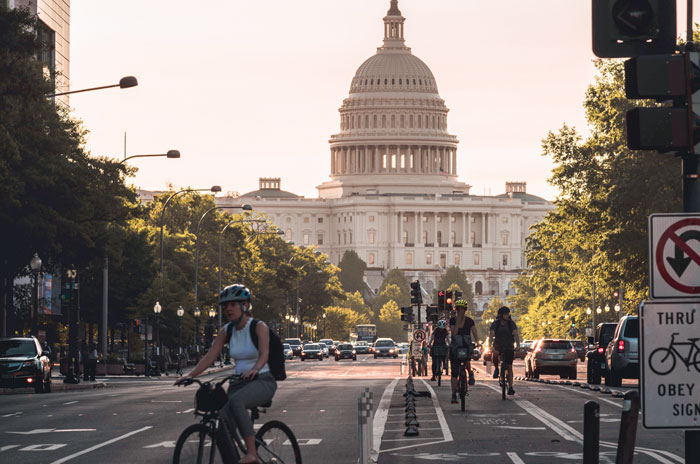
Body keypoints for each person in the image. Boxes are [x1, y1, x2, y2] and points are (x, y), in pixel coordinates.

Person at [176, 284, 276, 464]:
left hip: (262, 380)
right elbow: (210, 356)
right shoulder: (227, 330)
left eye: (232, 304)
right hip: (238, 383)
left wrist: (255, 369)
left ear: (245, 305)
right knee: (222, 425)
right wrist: (191, 375)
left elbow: (264, 353)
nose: (228, 309)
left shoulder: (258, 327)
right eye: (225, 306)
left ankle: (252, 453)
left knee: (237, 402)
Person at [449, 299, 480, 404]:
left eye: (462, 309)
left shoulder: (470, 321)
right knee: (454, 373)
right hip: (456, 348)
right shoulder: (453, 320)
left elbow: (475, 333)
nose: (460, 311)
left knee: (467, 361)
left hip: (466, 347)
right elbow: (454, 333)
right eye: (458, 309)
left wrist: (478, 342)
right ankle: (453, 394)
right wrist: (457, 322)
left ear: (465, 310)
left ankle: (470, 373)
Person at [489, 306, 519, 395]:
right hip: (498, 344)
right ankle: (496, 368)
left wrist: (518, 345)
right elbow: (491, 335)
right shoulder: (496, 324)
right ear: (501, 315)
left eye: (508, 314)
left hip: (509, 345)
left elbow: (516, 334)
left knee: (509, 366)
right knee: (495, 354)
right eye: (506, 314)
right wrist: (490, 346)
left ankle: (510, 387)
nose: (507, 316)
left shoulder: (511, 324)